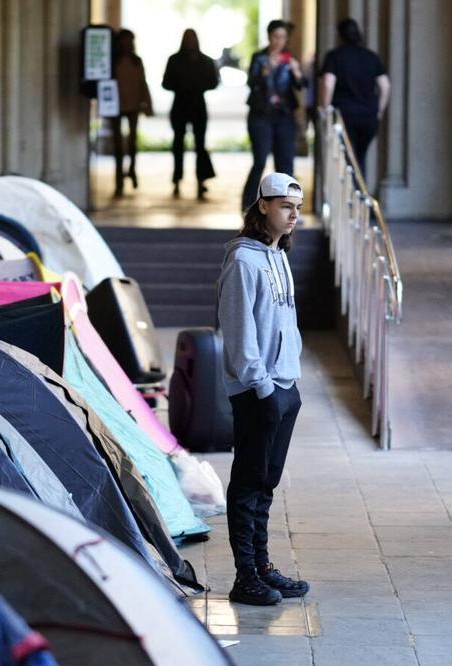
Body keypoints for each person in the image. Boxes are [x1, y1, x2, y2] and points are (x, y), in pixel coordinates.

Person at [216, 173, 311, 605]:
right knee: (249, 480)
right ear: (263, 208)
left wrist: (289, 379)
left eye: (298, 207)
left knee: (266, 481)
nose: (295, 215)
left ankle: (262, 566)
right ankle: (245, 577)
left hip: (285, 383)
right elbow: (239, 331)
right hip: (259, 389)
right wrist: (260, 384)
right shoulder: (243, 261)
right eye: (286, 207)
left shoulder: (278, 255)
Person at [241, 20, 304, 211]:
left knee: (285, 162)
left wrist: (296, 70)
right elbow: (251, 83)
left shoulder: (289, 58)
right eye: (276, 36)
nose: (279, 41)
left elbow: (301, 85)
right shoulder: (259, 57)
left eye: (283, 37)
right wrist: (266, 70)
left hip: (284, 116)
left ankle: (287, 207)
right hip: (261, 116)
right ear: (269, 37)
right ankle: (249, 205)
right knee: (259, 161)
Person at [318, 18, 390, 174]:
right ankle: (359, 194)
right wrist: (379, 110)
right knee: (359, 157)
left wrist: (325, 109)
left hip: (345, 115)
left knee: (347, 160)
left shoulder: (335, 56)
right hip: (369, 116)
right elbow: (385, 86)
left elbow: (328, 83)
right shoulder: (371, 56)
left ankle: (352, 196)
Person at [162, 29, 219, 199]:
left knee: (200, 145)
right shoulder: (174, 60)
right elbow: (166, 82)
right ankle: (177, 180)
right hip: (180, 105)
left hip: (197, 105)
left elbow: (214, 82)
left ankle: (201, 180)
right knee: (178, 145)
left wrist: (197, 86)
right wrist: (182, 86)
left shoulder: (205, 61)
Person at [110, 29, 153, 198]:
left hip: (133, 106)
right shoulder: (114, 62)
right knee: (118, 145)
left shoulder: (137, 62)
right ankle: (119, 179)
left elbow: (143, 83)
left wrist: (147, 103)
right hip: (117, 106)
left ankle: (132, 170)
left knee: (132, 142)